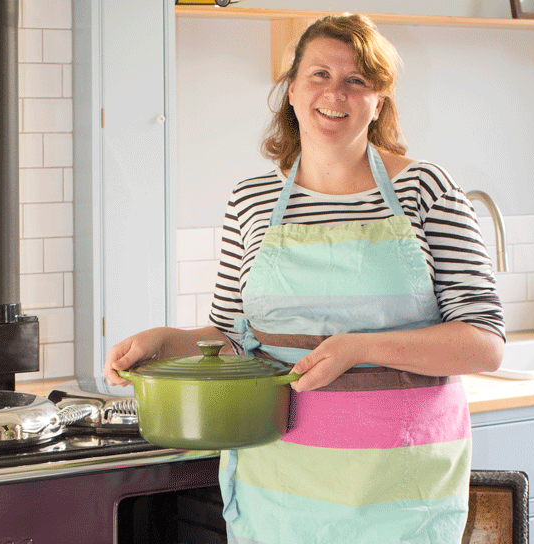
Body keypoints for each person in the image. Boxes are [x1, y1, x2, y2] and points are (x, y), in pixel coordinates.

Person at [105, 12, 504, 544]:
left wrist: (358, 348)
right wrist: (167, 341)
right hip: (280, 475)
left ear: (378, 101)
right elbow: (231, 337)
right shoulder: (251, 200)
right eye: (318, 74)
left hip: (403, 483)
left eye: (355, 80)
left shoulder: (426, 189)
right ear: (291, 90)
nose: (333, 93)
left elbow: (484, 344)